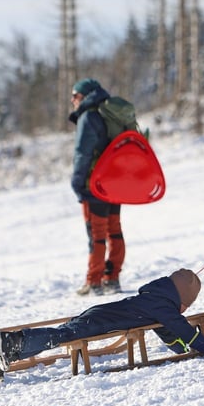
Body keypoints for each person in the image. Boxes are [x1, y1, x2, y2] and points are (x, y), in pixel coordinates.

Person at [0, 268, 204, 377]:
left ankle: (8, 354)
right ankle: (11, 342)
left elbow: (170, 334)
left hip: (100, 313)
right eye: (186, 306)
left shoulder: (157, 303)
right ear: (181, 298)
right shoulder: (162, 306)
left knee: (65, 332)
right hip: (100, 320)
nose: (184, 311)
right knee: (64, 335)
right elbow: (179, 326)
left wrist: (183, 349)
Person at [69, 78, 125, 296]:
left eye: (75, 95)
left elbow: (83, 153)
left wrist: (77, 182)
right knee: (115, 231)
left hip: (94, 184)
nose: (72, 100)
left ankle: (94, 282)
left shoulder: (88, 116)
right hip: (116, 183)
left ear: (84, 95)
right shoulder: (111, 113)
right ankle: (112, 279)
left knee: (97, 234)